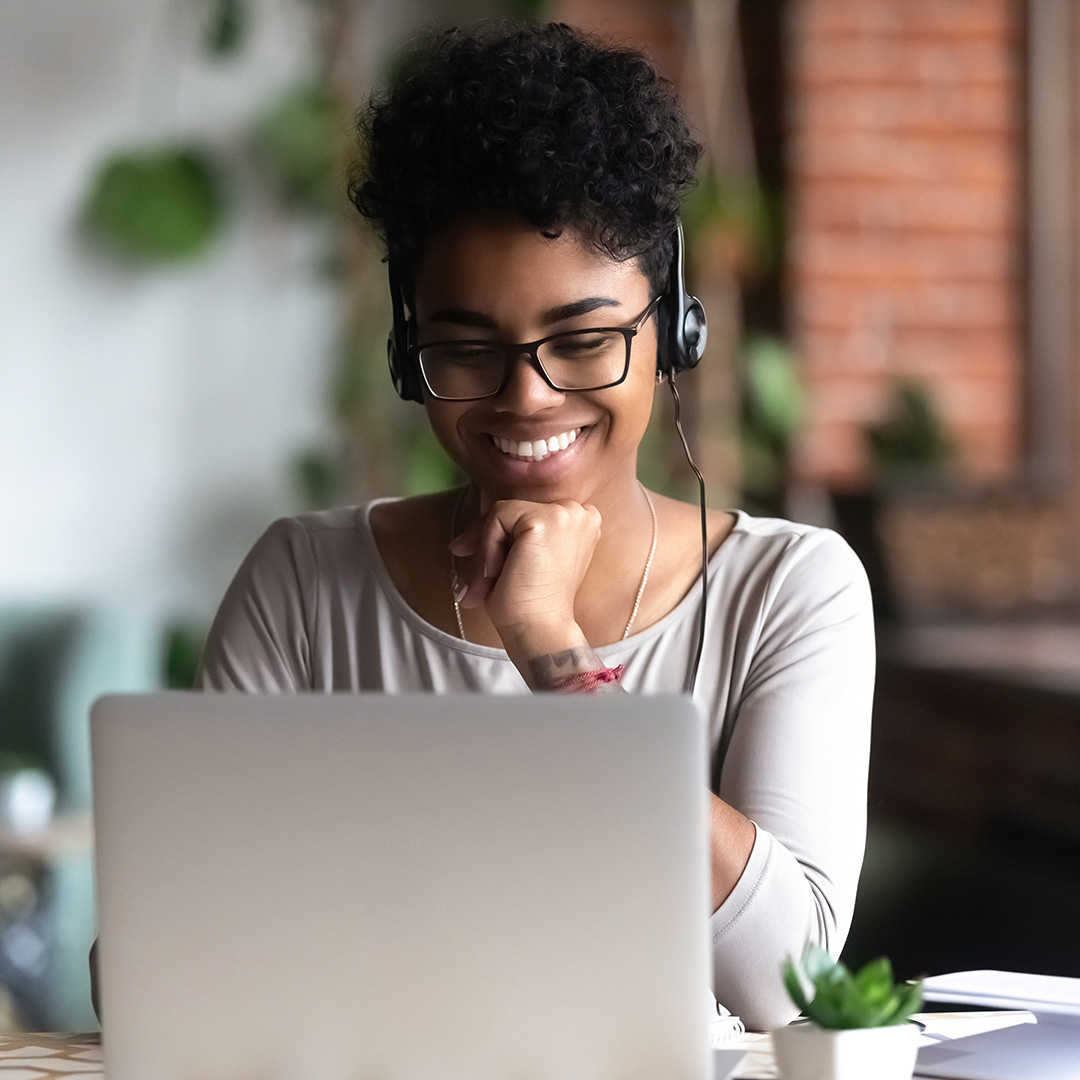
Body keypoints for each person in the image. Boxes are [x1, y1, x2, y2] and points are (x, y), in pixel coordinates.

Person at [197, 22, 874, 1030]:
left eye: (584, 340)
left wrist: (554, 652)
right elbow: (163, 961)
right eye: (467, 349)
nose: (527, 397)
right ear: (405, 350)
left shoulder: (788, 590)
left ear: (672, 331)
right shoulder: (304, 583)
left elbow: (795, 983)